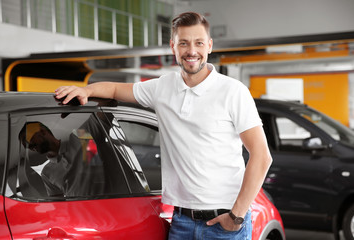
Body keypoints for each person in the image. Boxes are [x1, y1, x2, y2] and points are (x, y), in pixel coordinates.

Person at [55, 11, 272, 240]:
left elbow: (261, 156)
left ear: (209, 45)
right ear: (173, 46)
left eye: (198, 43)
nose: (191, 51)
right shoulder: (162, 87)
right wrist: (86, 90)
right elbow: (116, 90)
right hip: (182, 223)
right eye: (183, 43)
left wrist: (236, 217)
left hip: (225, 223)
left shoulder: (233, 91)